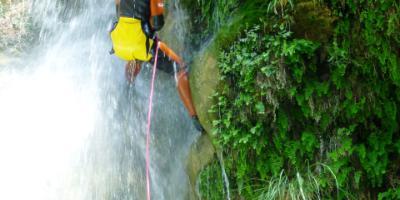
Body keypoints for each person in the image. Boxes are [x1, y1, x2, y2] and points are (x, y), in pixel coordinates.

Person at [111, 0, 204, 132]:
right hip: (140, 43)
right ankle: (195, 118)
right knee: (179, 68)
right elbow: (157, 23)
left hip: (119, 40)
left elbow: (118, 6)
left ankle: (128, 86)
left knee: (141, 48)